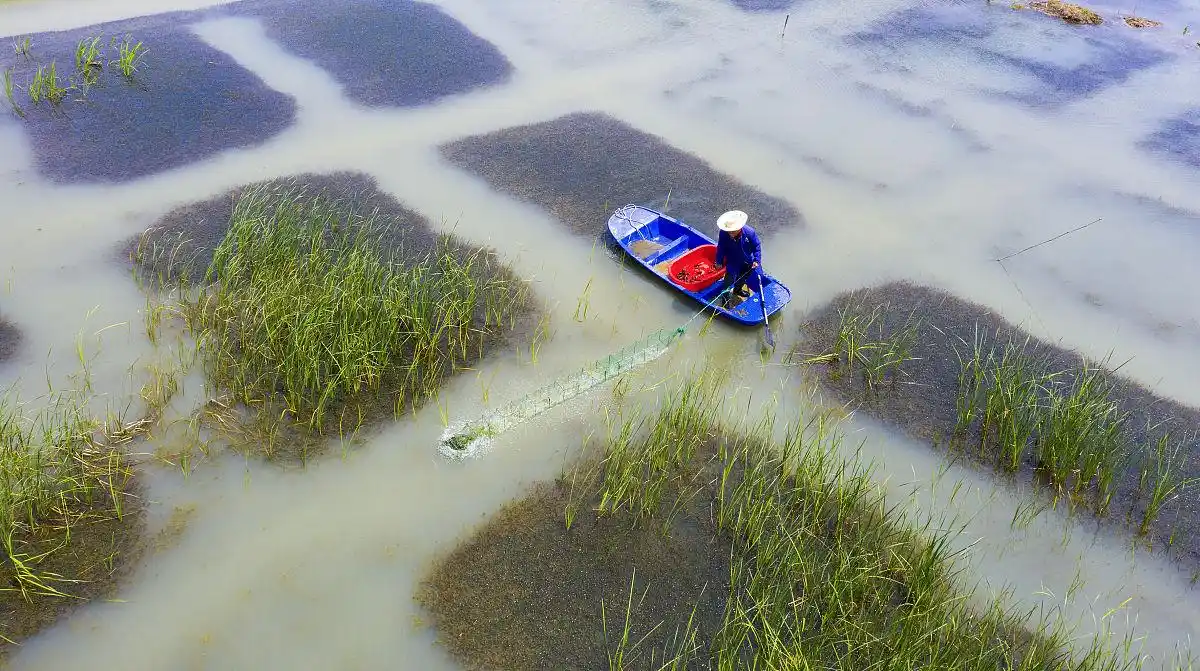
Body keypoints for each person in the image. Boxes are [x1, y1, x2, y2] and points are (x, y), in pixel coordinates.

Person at [713, 209, 762, 306]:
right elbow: (721, 247)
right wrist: (719, 261)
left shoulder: (749, 233)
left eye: (733, 231)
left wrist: (757, 260)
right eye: (729, 231)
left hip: (747, 261)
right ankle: (725, 300)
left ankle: (737, 290)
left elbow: (757, 246)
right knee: (728, 281)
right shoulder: (723, 233)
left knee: (743, 278)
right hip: (732, 261)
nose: (731, 233)